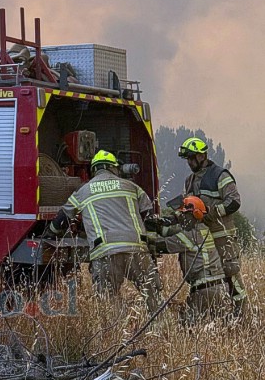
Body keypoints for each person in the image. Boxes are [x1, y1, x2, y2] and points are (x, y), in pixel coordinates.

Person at [49, 150, 161, 312]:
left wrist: (51, 232)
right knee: (153, 295)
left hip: (105, 252)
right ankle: (160, 327)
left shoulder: (83, 191)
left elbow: (63, 217)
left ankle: (119, 331)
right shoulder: (131, 187)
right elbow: (149, 215)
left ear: (94, 170)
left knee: (108, 299)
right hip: (136, 249)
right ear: (113, 168)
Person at [177, 137, 246, 314]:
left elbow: (234, 202)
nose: (190, 162)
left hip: (222, 234)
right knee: (207, 278)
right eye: (188, 159)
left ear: (203, 156)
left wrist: (212, 211)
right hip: (202, 238)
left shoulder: (220, 175)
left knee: (231, 273)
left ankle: (241, 314)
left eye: (192, 158)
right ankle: (217, 314)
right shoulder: (189, 180)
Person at [148, 196, 229, 323]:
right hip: (220, 287)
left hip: (204, 288)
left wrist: (143, 239)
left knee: (188, 326)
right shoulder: (202, 230)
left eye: (183, 215)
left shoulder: (190, 236)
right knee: (218, 328)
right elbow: (170, 231)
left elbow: (160, 246)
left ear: (194, 214)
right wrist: (159, 226)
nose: (181, 218)